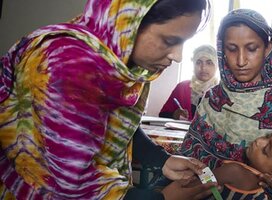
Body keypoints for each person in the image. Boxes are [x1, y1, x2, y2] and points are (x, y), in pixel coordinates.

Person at [0, 0, 218, 199]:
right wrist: (161, 198)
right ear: (129, 21)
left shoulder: (125, 65)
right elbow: (69, 183)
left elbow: (118, 126)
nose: (177, 56)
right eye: (170, 41)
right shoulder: (70, 64)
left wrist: (161, 159)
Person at [179, 8, 272, 199]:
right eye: (232, 49)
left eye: (251, 48)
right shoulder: (213, 99)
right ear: (222, 49)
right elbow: (189, 162)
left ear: (267, 48)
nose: (241, 60)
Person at [159, 44, 218, 121]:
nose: (203, 67)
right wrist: (174, 115)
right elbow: (162, 114)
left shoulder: (222, 91)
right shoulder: (182, 87)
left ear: (216, 65)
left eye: (209, 63)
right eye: (198, 62)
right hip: (182, 133)